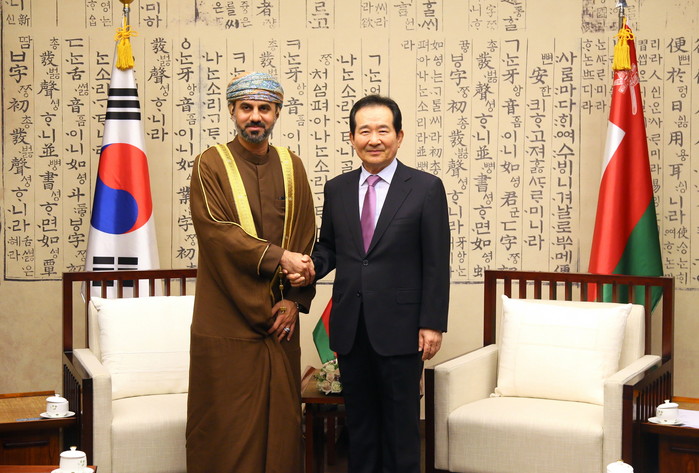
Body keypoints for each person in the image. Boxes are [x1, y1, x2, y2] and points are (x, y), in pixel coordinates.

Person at [305, 95, 450, 473]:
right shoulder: (337, 188)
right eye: (364, 131)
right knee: (360, 428)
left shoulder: (425, 188)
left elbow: (437, 262)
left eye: (382, 130)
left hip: (403, 329)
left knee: (401, 429)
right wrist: (310, 267)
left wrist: (432, 322)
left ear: (399, 136)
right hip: (351, 326)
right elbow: (330, 247)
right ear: (352, 138)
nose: (374, 139)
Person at [186, 71, 316, 473]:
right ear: (232, 111)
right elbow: (217, 233)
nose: (255, 116)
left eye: (264, 108)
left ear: (277, 113)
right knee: (224, 427)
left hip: (280, 321)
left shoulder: (292, 166)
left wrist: (293, 301)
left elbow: (306, 237)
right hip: (226, 316)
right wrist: (280, 257)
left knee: (282, 425)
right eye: (246, 108)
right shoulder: (210, 163)